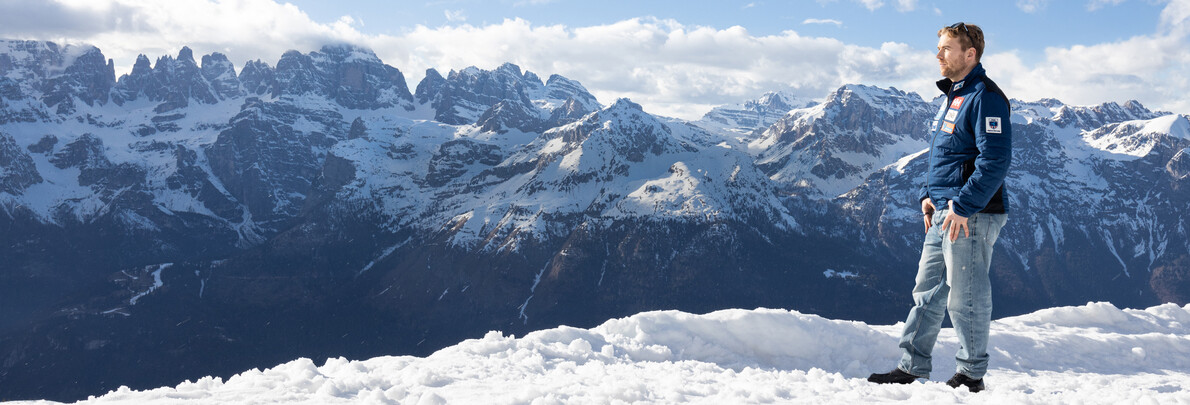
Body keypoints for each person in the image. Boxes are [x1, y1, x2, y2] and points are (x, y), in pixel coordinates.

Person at [867, 22, 1012, 393]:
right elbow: (944, 155)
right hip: (946, 209)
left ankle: (971, 375)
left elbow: (994, 161)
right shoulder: (954, 95)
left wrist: (962, 207)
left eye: (946, 48)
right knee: (928, 290)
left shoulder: (986, 97)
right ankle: (912, 366)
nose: (938, 55)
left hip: (971, 214)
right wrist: (928, 194)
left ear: (970, 54)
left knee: (966, 296)